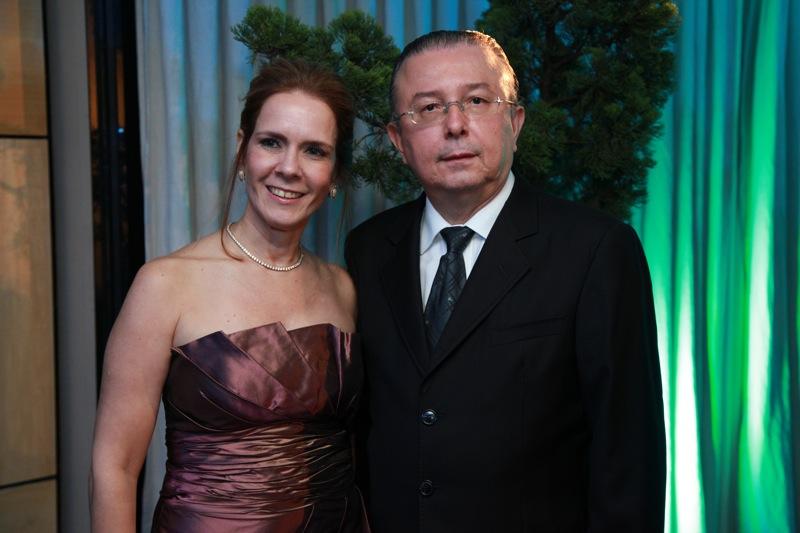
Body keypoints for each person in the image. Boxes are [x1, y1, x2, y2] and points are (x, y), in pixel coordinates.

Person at [345, 30, 666, 532]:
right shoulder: (367, 250)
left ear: (514, 122)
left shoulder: (596, 249)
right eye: (428, 108)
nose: (455, 125)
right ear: (398, 140)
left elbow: (629, 458)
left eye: (476, 101)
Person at [91, 59, 368, 532]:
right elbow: (114, 469)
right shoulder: (165, 284)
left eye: (314, 151)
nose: (289, 168)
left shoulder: (342, 287)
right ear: (243, 151)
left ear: (335, 173)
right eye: (271, 142)